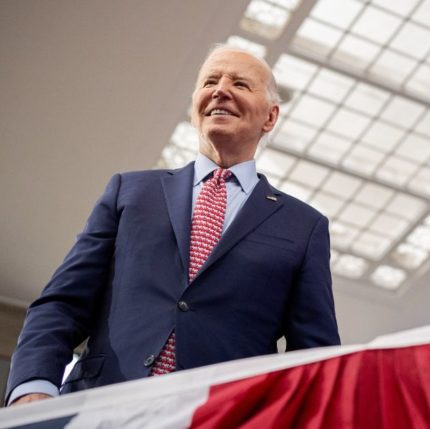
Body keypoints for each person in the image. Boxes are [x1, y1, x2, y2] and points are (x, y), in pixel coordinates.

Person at [6, 45, 340, 406]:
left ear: (270, 118)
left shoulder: (304, 226)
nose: (220, 89)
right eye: (210, 81)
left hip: (219, 415)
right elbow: (63, 303)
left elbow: (314, 359)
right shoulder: (129, 191)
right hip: (98, 406)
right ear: (195, 105)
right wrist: (33, 386)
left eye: (240, 84)